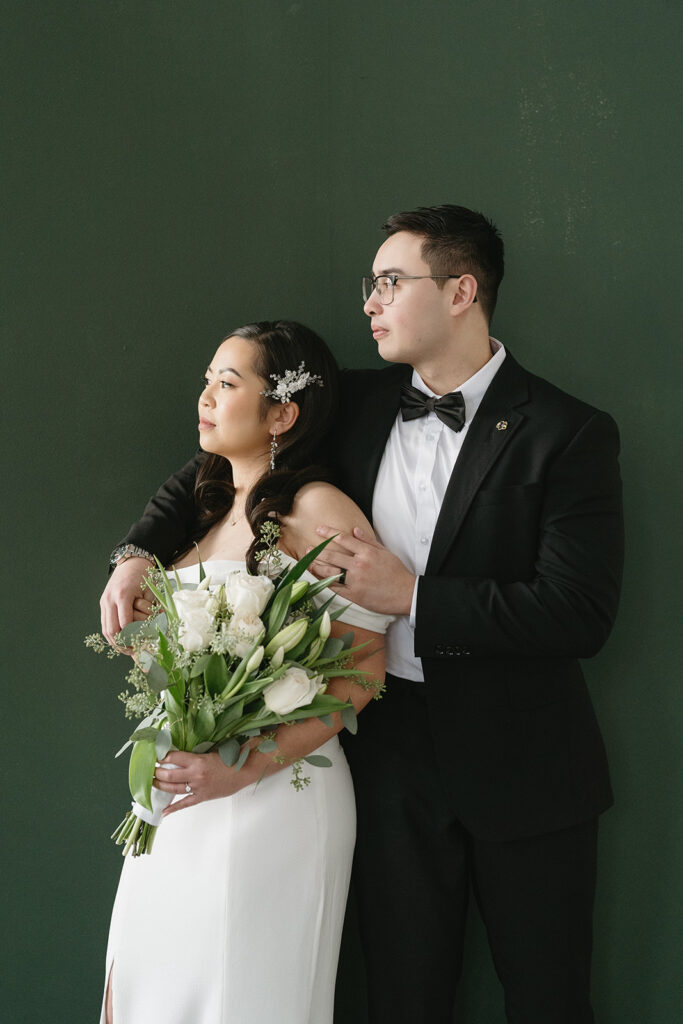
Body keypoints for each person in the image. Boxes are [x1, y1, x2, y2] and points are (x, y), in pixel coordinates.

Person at [101, 205, 624, 1024]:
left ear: (461, 290)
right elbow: (216, 467)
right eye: (368, 285)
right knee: (400, 998)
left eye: (390, 281)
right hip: (383, 754)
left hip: (526, 762)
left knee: (547, 997)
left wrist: (411, 597)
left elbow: (577, 613)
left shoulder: (568, 433)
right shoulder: (356, 404)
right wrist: (135, 551)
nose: (370, 302)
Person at [99, 320, 390, 1024]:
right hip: (178, 801)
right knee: (146, 992)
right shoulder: (206, 508)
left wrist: (246, 764)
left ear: (283, 413)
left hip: (271, 798)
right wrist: (151, 646)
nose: (205, 396)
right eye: (207, 379)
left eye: (226, 384)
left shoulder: (318, 510)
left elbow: (366, 668)